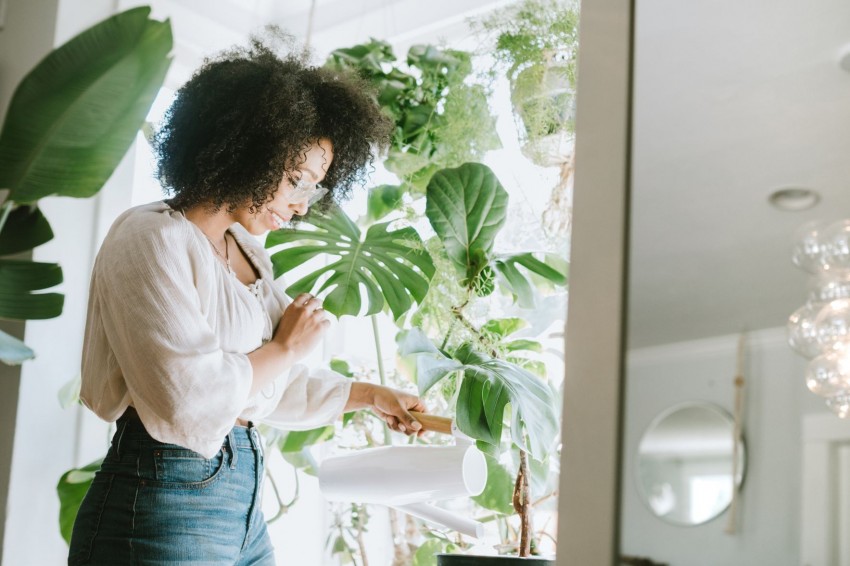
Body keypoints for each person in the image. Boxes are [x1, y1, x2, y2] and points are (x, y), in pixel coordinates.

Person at [68, 35, 426, 565]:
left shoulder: (252, 256)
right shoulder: (148, 237)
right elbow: (188, 401)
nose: (301, 205)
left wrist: (372, 396)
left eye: (314, 188)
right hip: (165, 497)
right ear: (247, 147)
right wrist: (283, 347)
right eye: (294, 179)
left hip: (243, 498)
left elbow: (264, 387)